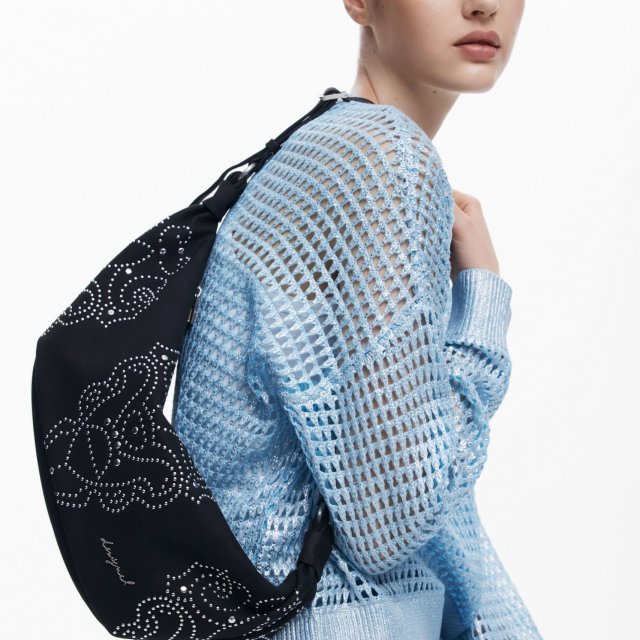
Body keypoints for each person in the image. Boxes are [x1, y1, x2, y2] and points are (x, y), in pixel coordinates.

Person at [172, 0, 541, 638]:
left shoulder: (321, 146)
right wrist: (482, 302)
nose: (483, 5)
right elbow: (394, 516)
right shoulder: (378, 155)